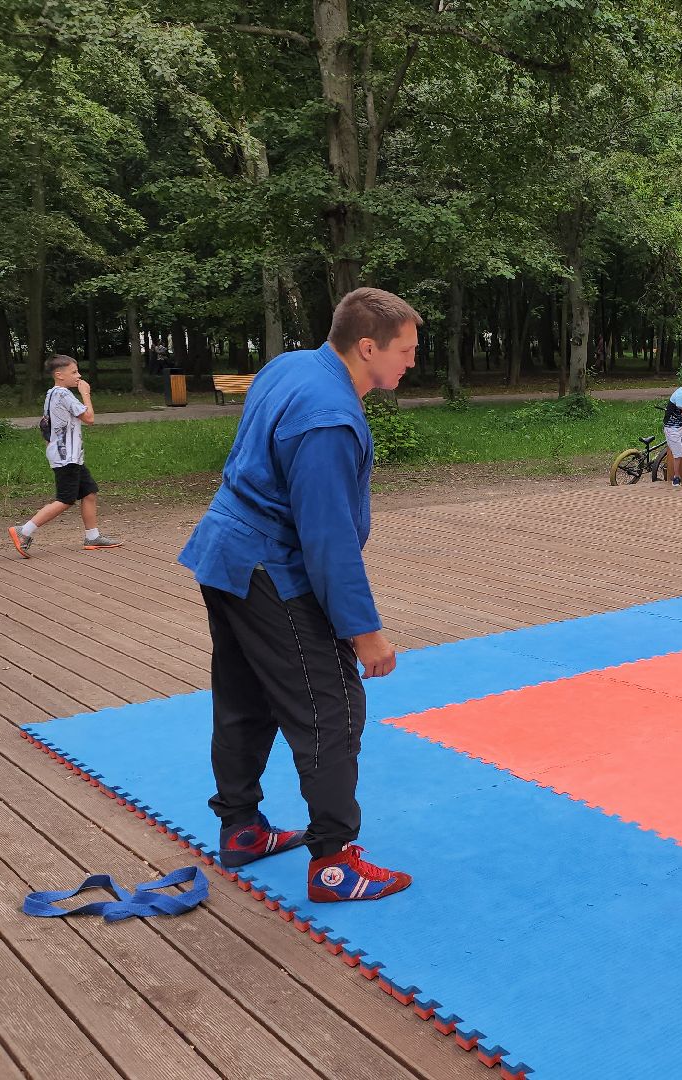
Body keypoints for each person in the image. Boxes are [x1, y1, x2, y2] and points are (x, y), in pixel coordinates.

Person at [177, 286, 420, 904]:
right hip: (268, 568)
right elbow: (327, 538)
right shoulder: (330, 420)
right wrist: (365, 634)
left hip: (226, 555)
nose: (413, 361)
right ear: (368, 347)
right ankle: (335, 863)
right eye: (407, 350)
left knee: (247, 695)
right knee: (333, 706)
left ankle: (242, 830)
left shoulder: (291, 365)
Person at [8, 354, 122, 558]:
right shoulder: (63, 394)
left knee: (89, 492)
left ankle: (92, 537)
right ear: (59, 375)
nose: (78, 376)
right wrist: (86, 393)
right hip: (66, 456)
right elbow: (89, 418)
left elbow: (45, 425)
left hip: (70, 455)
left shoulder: (51, 394)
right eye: (74, 372)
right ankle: (23, 531)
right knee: (65, 499)